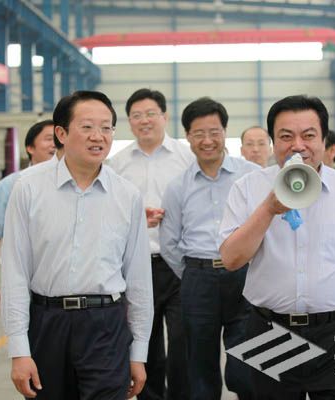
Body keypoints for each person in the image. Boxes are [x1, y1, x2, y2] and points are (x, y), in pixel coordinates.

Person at [219, 95, 335, 399]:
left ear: (324, 141)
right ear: (273, 142)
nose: (297, 145)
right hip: (270, 333)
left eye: (308, 135)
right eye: (286, 136)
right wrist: (268, 209)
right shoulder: (247, 189)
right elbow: (231, 259)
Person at [1, 91, 153, 399]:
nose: (98, 136)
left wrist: (138, 353)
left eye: (106, 128)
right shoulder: (28, 188)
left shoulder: (127, 195)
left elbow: (139, 279)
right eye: (87, 127)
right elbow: (15, 271)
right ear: (61, 133)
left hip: (106, 325)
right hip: (48, 323)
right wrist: (19, 350)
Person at [160, 97, 258, 400]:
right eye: (198, 133)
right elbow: (169, 242)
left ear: (225, 132)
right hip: (198, 279)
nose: (207, 141)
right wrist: (193, 272)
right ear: (187, 137)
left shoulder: (250, 175)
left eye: (214, 132)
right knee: (200, 368)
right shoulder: (178, 186)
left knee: (246, 365)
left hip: (245, 277)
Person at [108, 88, 194, 400]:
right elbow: (109, 211)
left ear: (164, 117)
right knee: (146, 344)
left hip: (180, 263)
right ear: (129, 122)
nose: (144, 120)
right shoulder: (116, 164)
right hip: (138, 265)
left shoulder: (186, 158)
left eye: (150, 114)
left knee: (184, 343)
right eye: (136, 116)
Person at [0, 120, 56, 314]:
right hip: (21, 282)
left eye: (58, 139)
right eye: (48, 139)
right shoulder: (10, 185)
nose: (55, 144)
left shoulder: (73, 184)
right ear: (30, 148)